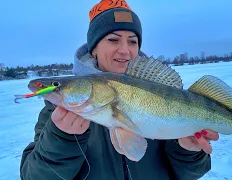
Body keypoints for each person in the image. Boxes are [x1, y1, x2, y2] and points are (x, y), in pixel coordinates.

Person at [19, 0, 219, 179]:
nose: (125, 50)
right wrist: (61, 139)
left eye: (133, 41)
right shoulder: (56, 114)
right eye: (113, 40)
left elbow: (188, 174)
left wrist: (188, 152)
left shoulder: (163, 91)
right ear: (94, 48)